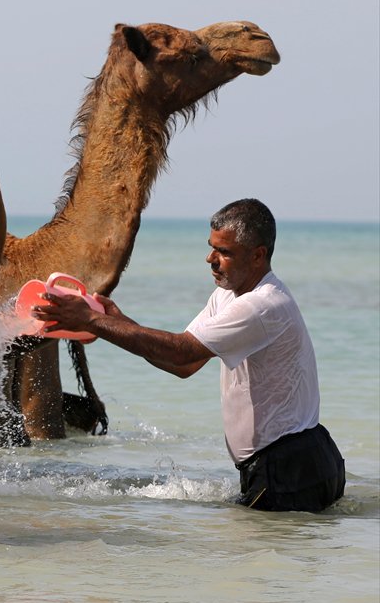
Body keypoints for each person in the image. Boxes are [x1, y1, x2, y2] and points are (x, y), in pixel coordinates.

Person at [32, 198, 345, 512]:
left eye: (224, 252)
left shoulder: (261, 306)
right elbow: (185, 364)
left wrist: (92, 321)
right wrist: (115, 322)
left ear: (258, 256)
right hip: (293, 463)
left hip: (291, 467)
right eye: (211, 247)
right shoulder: (226, 295)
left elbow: (180, 351)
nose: (211, 259)